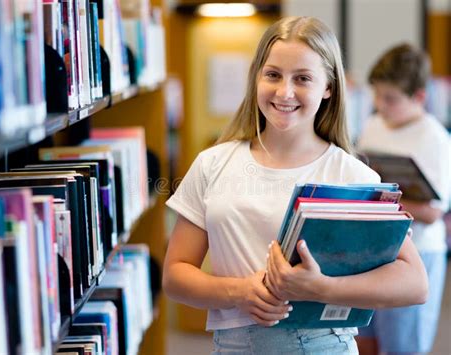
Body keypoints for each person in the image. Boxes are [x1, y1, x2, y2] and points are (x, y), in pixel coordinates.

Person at [163, 17, 428, 354]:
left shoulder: (354, 175)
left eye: (303, 78)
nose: (284, 92)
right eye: (273, 74)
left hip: (325, 346)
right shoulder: (212, 163)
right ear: (257, 77)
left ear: (328, 88)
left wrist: (322, 288)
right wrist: (240, 291)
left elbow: (415, 284)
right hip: (235, 346)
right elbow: (175, 276)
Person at [356, 43, 450, 355]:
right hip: (372, 248)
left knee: (402, 347)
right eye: (377, 95)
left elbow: (433, 213)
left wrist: (382, 198)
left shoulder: (435, 138)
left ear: (419, 97)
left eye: (391, 99)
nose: (380, 104)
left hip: (419, 252)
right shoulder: (372, 125)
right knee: (361, 339)